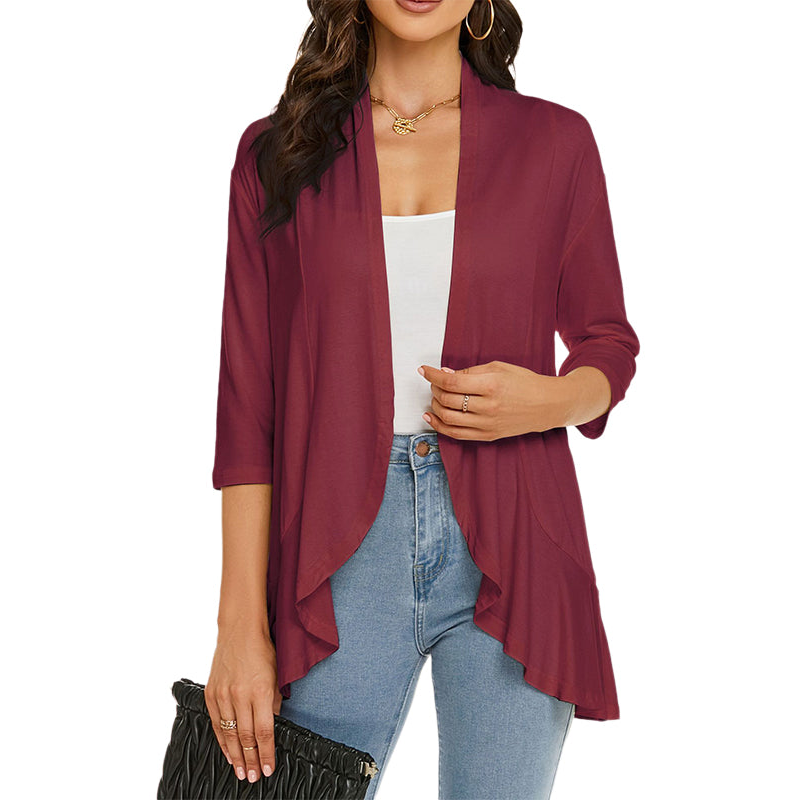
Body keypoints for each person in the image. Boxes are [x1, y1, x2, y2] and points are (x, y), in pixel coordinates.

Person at [204, 1, 640, 798]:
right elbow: (247, 408)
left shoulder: (555, 143)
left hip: (515, 543)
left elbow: (607, 342)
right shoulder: (277, 155)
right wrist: (238, 624)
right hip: (334, 552)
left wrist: (545, 402)